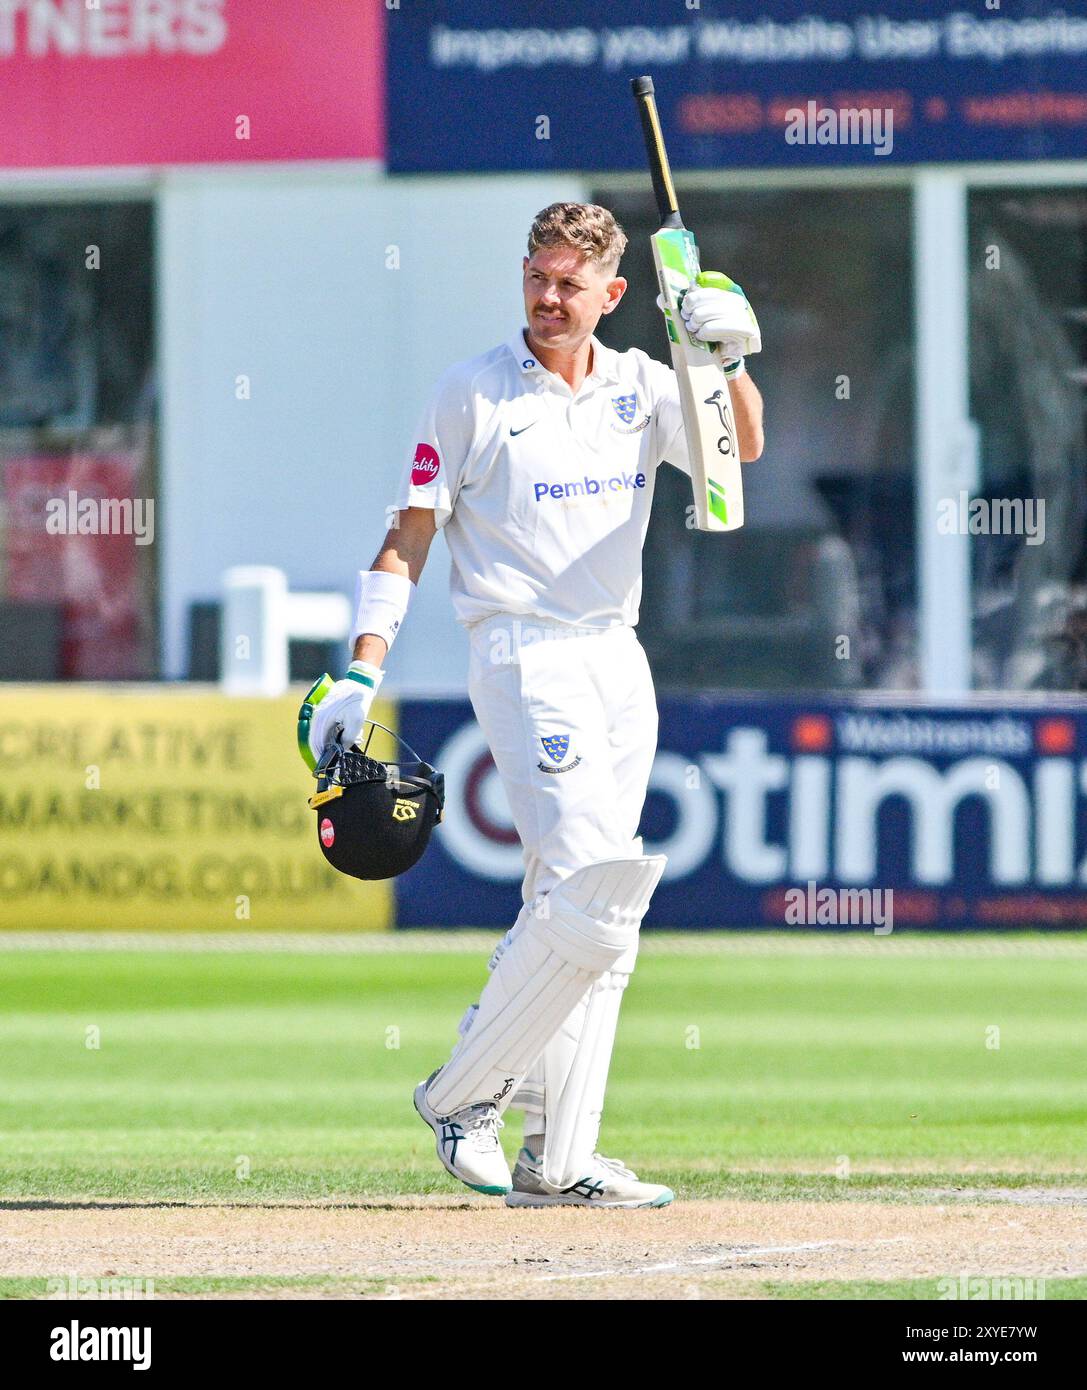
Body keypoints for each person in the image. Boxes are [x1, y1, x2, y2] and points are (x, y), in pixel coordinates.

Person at [304, 202, 763, 1207]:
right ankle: (462, 1094)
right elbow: (410, 531)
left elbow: (734, 467)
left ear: (612, 293)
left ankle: (559, 1159)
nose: (549, 300)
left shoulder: (645, 383)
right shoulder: (471, 393)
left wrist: (718, 356)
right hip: (520, 651)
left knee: (595, 911)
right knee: (594, 888)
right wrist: (362, 666)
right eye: (537, 277)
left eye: (571, 284)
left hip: (615, 656)